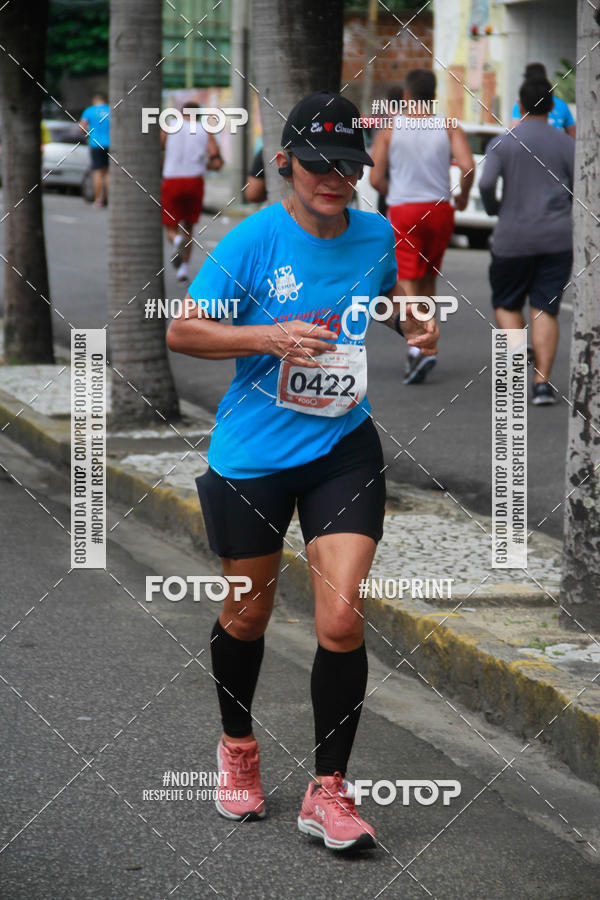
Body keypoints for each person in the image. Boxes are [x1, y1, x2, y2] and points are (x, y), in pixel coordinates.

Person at [166, 90, 439, 851]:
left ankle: (330, 792)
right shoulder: (250, 241)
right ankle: (238, 749)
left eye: (348, 165)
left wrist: (407, 318)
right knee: (247, 615)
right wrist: (267, 336)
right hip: (252, 456)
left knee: (341, 618)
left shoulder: (376, 234)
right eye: (317, 164)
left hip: (341, 447)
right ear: (283, 163)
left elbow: (381, 296)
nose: (334, 178)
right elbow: (186, 329)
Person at [369, 69, 474, 385]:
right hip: (441, 209)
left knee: (408, 283)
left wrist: (394, 192)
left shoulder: (390, 129)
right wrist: (462, 197)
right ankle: (428, 345)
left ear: (405, 95)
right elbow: (468, 166)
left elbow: (374, 178)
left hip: (404, 209)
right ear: (433, 94)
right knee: (428, 280)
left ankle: (419, 349)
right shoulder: (448, 126)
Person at [480, 78, 574, 405]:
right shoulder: (567, 145)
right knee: (545, 306)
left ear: (520, 106)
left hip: (512, 239)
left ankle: (517, 366)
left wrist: (495, 209)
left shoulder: (503, 143)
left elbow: (487, 183)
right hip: (557, 238)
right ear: (552, 107)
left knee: (506, 304)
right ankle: (543, 384)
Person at [160, 106, 223, 283]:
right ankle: (183, 270)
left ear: (181, 112)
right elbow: (216, 161)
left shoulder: (170, 125)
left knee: (170, 226)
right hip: (194, 180)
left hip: (172, 179)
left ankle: (176, 239)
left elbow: (158, 146)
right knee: (188, 226)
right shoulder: (205, 130)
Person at [510, 63, 576, 137]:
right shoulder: (561, 104)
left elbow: (513, 132)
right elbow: (573, 135)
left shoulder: (520, 105)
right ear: (552, 105)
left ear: (521, 108)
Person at [79, 92, 110, 207]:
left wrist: (88, 133)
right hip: (110, 144)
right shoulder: (110, 110)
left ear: (94, 100)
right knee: (107, 172)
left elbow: (82, 127)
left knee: (97, 172)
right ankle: (109, 198)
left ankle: (98, 199)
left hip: (96, 144)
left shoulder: (90, 111)